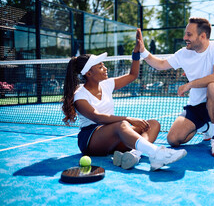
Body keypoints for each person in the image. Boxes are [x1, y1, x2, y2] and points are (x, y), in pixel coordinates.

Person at [61, 29, 187, 171]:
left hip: (112, 136)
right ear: (89, 73)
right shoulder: (80, 95)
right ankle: (157, 153)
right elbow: (98, 117)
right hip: (91, 140)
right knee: (121, 125)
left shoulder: (107, 84)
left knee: (152, 124)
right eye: (100, 66)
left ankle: (135, 155)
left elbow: (133, 75)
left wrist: (136, 52)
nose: (105, 68)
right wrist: (129, 119)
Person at [138, 17, 214, 157]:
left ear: (203, 36)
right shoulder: (183, 53)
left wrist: (190, 84)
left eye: (189, 34)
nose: (184, 37)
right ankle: (205, 126)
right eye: (185, 33)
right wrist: (143, 51)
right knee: (173, 139)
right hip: (195, 107)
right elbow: (161, 64)